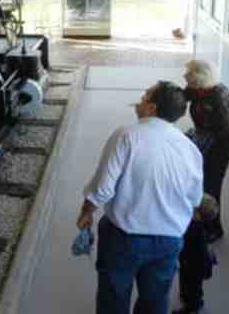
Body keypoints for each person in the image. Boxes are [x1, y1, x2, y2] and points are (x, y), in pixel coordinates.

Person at [77, 81, 203, 314]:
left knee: (113, 299)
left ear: (152, 108)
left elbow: (103, 188)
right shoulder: (190, 149)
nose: (140, 99)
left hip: (123, 238)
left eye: (145, 96)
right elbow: (195, 200)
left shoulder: (126, 136)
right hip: (169, 240)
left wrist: (86, 212)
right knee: (155, 302)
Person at [183, 60, 229, 243]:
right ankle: (197, 218)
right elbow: (181, 96)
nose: (186, 80)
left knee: (211, 184)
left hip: (222, 143)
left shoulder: (218, 97)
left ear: (201, 82)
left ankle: (214, 227)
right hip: (205, 135)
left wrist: (202, 144)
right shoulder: (197, 89)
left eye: (190, 78)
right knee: (198, 178)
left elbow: (224, 129)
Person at [173, 194, 219, 314]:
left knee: (192, 286)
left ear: (198, 214)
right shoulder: (203, 227)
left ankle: (192, 306)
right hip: (194, 263)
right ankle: (190, 298)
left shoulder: (194, 230)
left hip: (193, 265)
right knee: (192, 285)